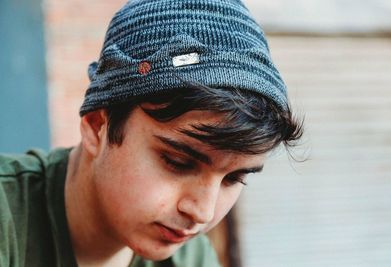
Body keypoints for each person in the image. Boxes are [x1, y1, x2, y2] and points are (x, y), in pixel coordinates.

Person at [0, 0, 303, 266]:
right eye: (177, 162)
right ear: (97, 126)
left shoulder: (190, 258)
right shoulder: (8, 221)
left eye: (233, 178)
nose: (202, 212)